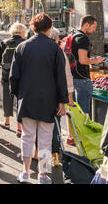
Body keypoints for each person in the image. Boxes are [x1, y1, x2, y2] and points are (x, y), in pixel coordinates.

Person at [10, 13, 68, 184]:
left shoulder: (22, 47)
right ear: (49, 28)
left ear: (32, 27)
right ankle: (43, 174)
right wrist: (62, 101)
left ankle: (25, 172)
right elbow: (61, 78)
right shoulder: (55, 48)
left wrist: (17, 96)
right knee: (45, 139)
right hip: (48, 101)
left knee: (27, 136)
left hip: (27, 98)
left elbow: (14, 76)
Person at [48, 27, 75, 166]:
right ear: (56, 38)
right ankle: (54, 156)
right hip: (55, 97)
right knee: (54, 126)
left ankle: (42, 160)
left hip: (37, 97)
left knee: (40, 129)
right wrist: (68, 98)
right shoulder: (59, 52)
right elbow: (67, 77)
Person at [0, 22, 27, 137]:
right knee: (20, 100)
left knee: (7, 98)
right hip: (21, 77)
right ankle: (20, 128)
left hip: (6, 76)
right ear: (23, 32)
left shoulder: (4, 43)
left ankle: (7, 122)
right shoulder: (25, 43)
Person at [71, 15, 104, 115]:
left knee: (75, 113)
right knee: (84, 114)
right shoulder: (83, 38)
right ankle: (83, 131)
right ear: (86, 25)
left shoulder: (74, 35)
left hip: (73, 77)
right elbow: (83, 60)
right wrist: (96, 60)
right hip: (82, 79)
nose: (94, 30)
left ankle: (76, 131)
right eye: (93, 27)